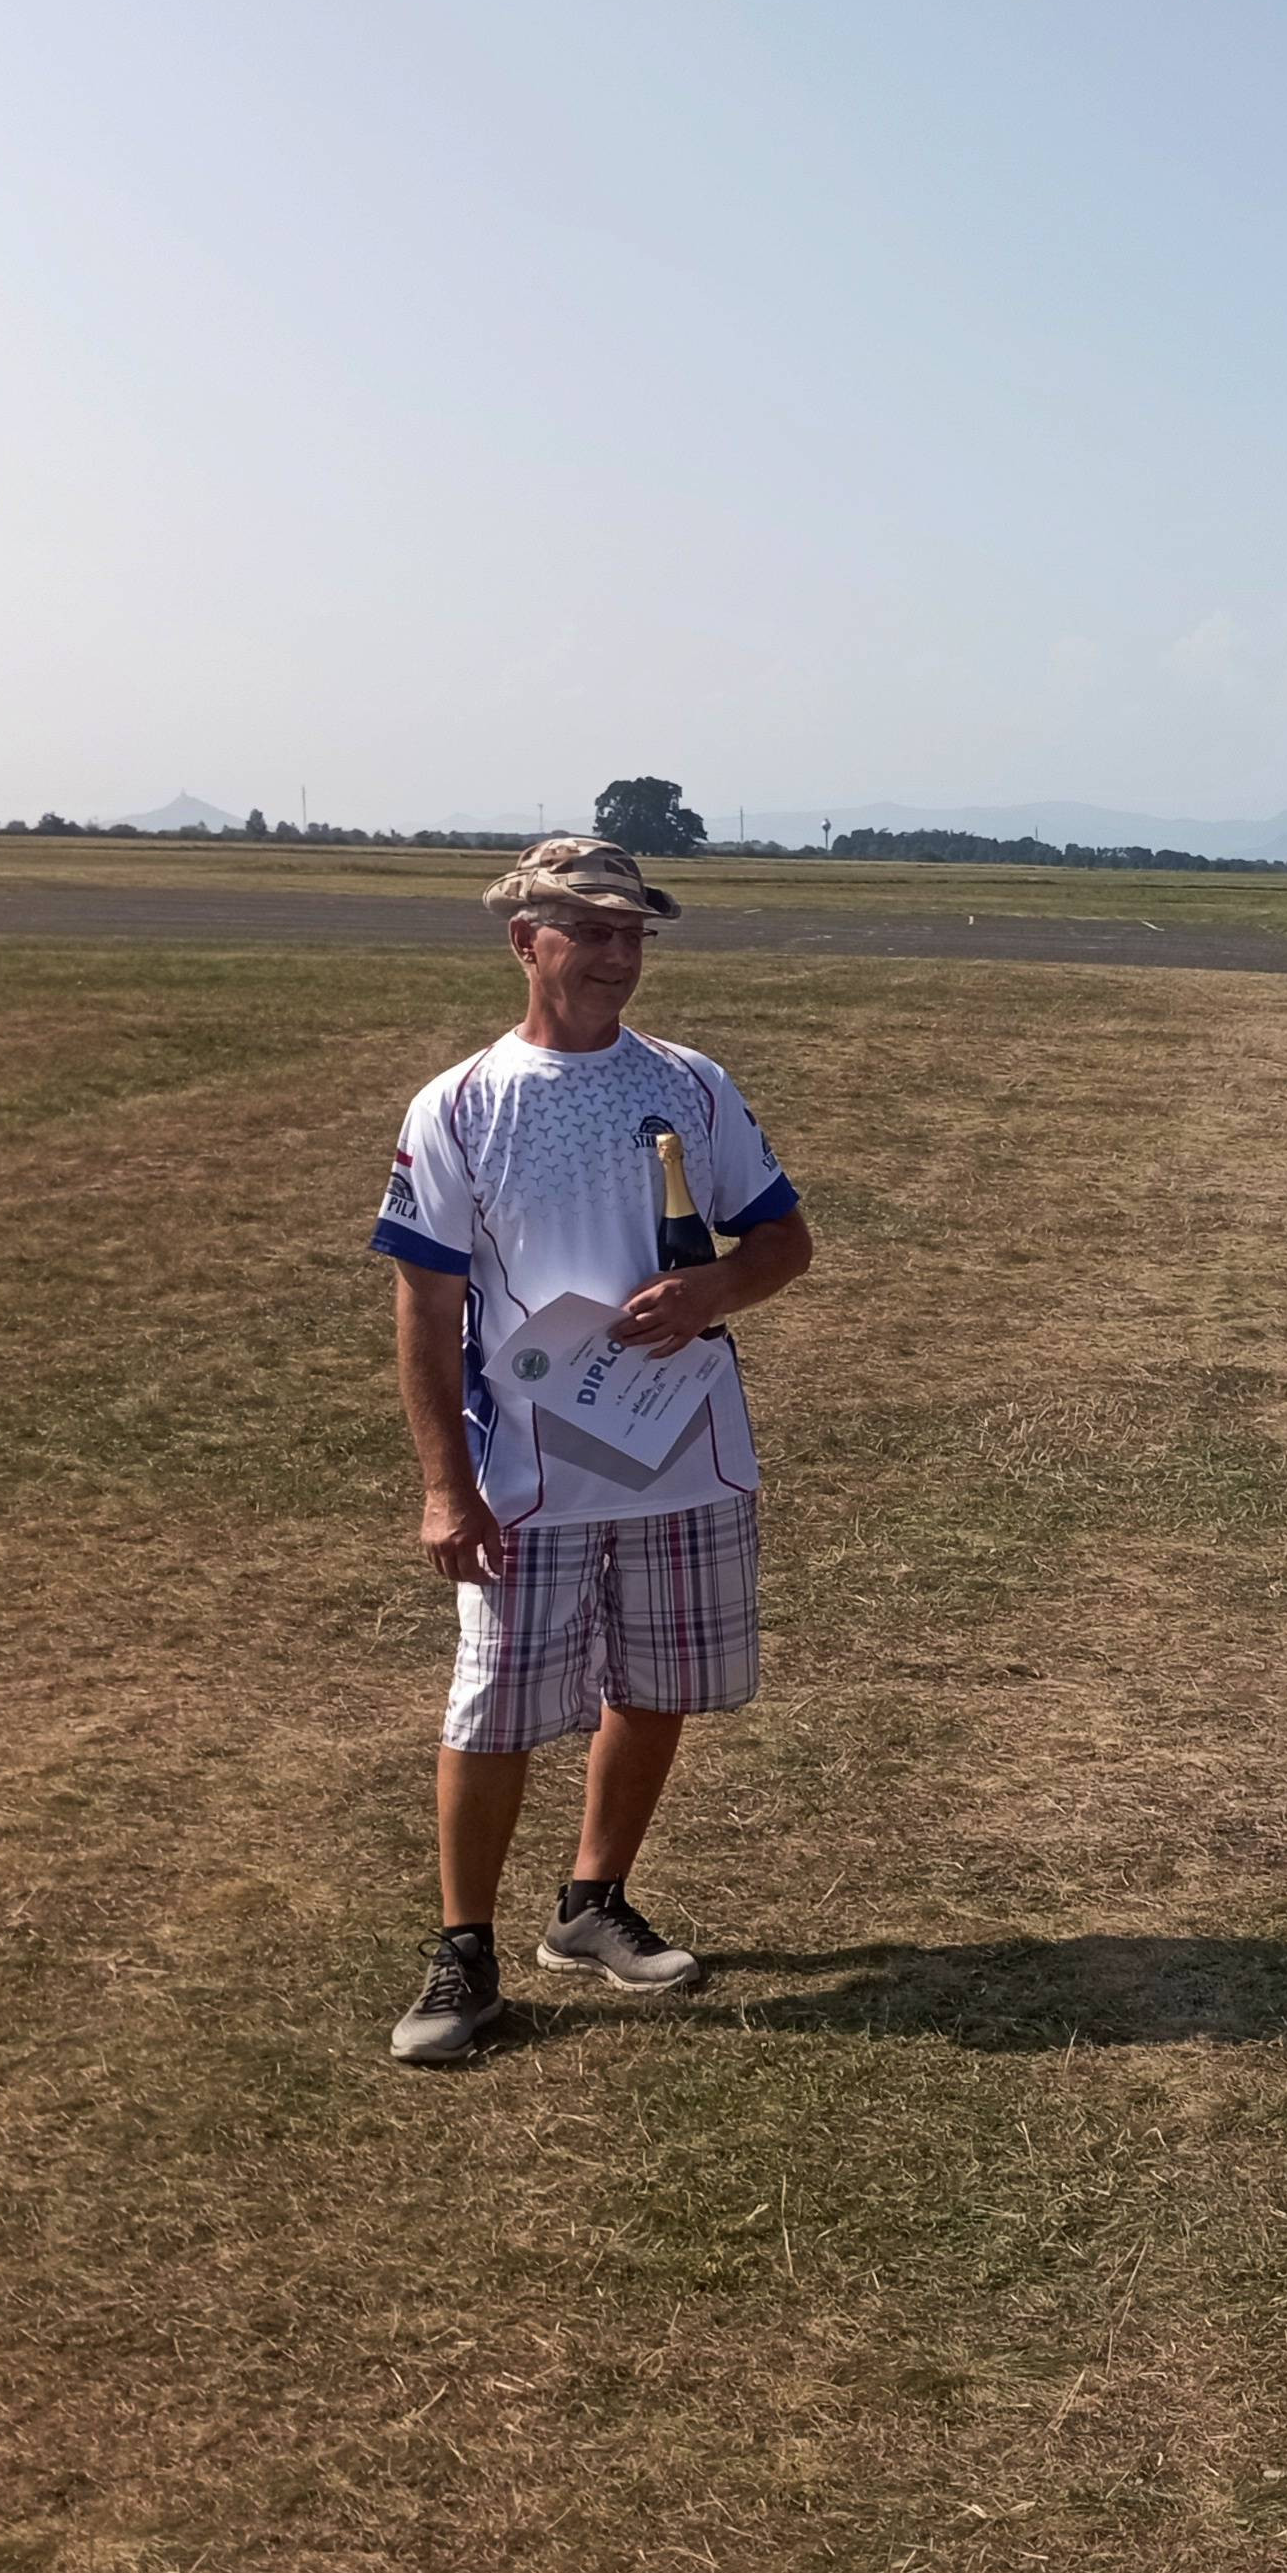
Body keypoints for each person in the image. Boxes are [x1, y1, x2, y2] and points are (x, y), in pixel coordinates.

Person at [366, 837, 819, 2062]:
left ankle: (592, 1904)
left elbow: (784, 1242)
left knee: (659, 1683)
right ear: (528, 942)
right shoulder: (461, 1103)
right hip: (527, 1470)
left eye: (634, 935)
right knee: (494, 1707)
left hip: (684, 1452)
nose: (619, 956)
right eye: (592, 931)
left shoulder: (692, 1084)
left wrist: (713, 1290)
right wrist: (444, 1487)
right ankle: (463, 1956)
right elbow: (426, 1307)